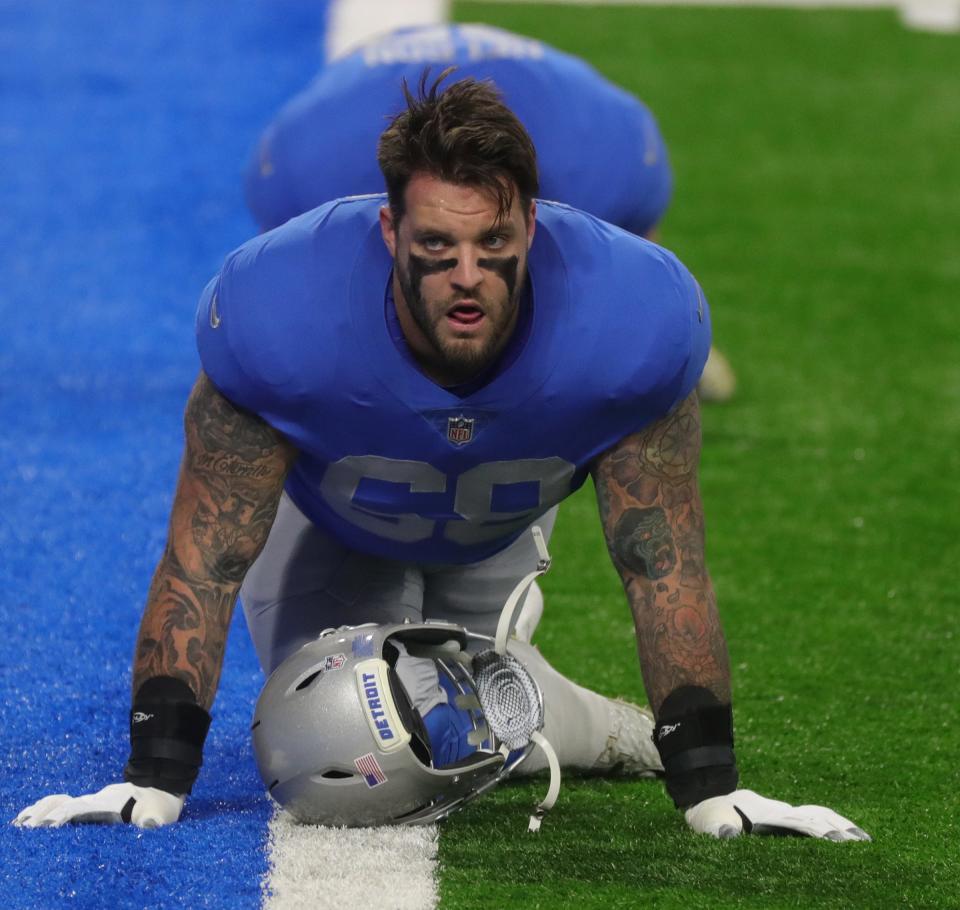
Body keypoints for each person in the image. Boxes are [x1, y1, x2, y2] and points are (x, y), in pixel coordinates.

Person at [15, 74, 866, 842]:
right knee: (353, 741)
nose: (467, 275)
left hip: (498, 523)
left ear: (532, 224)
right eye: (435, 248)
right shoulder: (281, 313)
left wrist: (712, 788)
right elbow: (204, 562)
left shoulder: (630, 319)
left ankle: (615, 731)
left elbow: (664, 567)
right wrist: (152, 780)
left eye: (494, 245)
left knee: (462, 721)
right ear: (389, 231)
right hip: (332, 523)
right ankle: (538, 696)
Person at [244, 22, 735, 401]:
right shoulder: (303, 172)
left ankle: (667, 333)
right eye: (434, 240)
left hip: (590, 142)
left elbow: (634, 241)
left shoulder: (611, 163)